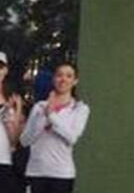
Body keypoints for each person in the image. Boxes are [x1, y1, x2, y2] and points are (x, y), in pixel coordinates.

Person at [20, 63, 89, 193]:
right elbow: (24, 140)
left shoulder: (80, 109)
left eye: (69, 76)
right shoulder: (39, 107)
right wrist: (42, 119)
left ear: (75, 81)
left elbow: (72, 137)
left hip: (62, 174)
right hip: (36, 172)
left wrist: (51, 115)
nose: (63, 79)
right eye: (59, 75)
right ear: (53, 79)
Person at [0, 52, 23, 193]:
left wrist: (17, 110)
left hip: (4, 161)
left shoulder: (12, 98)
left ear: (5, 70)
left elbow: (14, 141)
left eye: (0, 67)